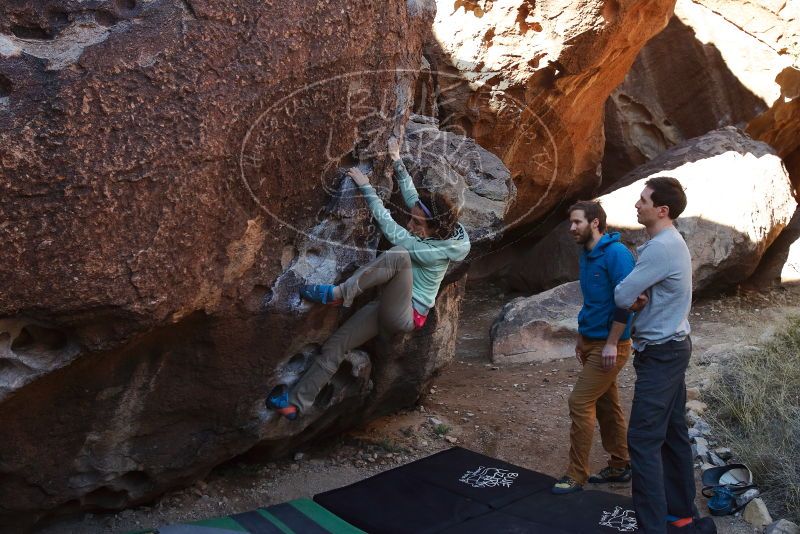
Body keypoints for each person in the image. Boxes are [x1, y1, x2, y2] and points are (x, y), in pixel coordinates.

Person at [266, 137, 471, 420]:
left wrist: (365, 187)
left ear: (434, 230)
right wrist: (397, 160)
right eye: (412, 219)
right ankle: (295, 404)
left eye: (417, 224)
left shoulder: (432, 252)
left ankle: (339, 294)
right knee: (336, 345)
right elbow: (413, 199)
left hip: (406, 314)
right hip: (390, 304)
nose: (411, 224)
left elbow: (390, 228)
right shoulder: (443, 228)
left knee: (398, 253)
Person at [614, 177, 695, 533]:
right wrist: (640, 295)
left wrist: (635, 295)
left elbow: (622, 295)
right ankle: (680, 513)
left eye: (643, 200)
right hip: (673, 347)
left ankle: (651, 527)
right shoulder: (668, 243)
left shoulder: (661, 247)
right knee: (673, 431)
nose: (636, 204)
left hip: (662, 353)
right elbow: (635, 294)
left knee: (643, 440)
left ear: (662, 210)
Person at [552, 201, 635, 494]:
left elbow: (630, 301)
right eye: (570, 223)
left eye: (577, 222)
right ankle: (620, 464)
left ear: (595, 223)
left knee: (579, 402)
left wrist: (612, 342)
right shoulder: (586, 254)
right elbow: (593, 302)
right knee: (606, 404)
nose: (571, 228)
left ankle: (576, 475)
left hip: (610, 344)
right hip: (591, 341)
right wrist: (581, 336)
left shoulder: (616, 254)